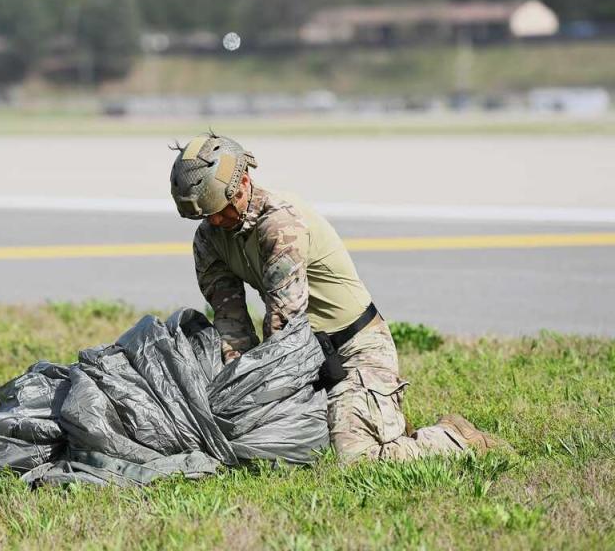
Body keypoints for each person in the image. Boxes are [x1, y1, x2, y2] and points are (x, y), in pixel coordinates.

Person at [170, 133, 506, 463]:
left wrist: (273, 399)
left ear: (242, 184)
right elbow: (232, 325)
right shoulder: (209, 239)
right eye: (205, 215)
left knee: (355, 456)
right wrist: (239, 395)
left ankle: (451, 436)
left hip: (355, 350)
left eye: (220, 210)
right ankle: (376, 421)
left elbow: (283, 323)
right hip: (308, 356)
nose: (214, 220)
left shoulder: (280, 224)